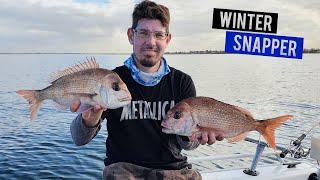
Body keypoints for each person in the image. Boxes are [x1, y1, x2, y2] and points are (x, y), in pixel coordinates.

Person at [70, 1, 224, 179]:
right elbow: (78, 139)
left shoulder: (182, 82)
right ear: (131, 35)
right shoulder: (111, 81)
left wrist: (193, 137)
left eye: (158, 35)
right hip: (122, 170)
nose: (151, 42)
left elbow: (188, 146)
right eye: (143, 33)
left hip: (173, 170)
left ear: (167, 39)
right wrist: (88, 120)